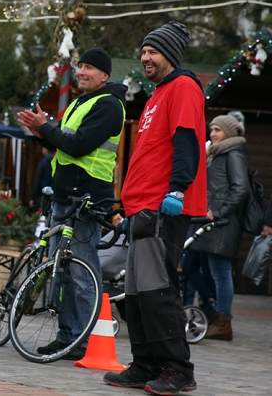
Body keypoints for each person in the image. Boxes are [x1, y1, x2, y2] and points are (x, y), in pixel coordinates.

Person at [104, 22, 207, 395]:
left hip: (163, 208)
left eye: (153, 51)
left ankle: (177, 369)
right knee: (136, 294)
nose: (145, 57)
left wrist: (177, 191)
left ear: (171, 55)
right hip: (142, 208)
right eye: (144, 51)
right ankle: (145, 363)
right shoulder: (158, 94)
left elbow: (187, 143)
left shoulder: (183, 88)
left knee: (158, 291)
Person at [17, 47, 127, 360]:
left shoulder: (109, 105)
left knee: (80, 273)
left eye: (90, 67)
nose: (81, 71)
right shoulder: (81, 101)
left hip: (87, 198)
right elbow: (61, 142)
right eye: (80, 66)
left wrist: (46, 128)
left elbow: (78, 146)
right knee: (60, 272)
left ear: (105, 75)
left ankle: (80, 339)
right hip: (65, 195)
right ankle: (66, 336)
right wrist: (40, 131)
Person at [187, 115, 247, 341]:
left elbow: (241, 188)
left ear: (229, 133)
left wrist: (219, 212)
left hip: (222, 222)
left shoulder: (233, 155)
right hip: (208, 220)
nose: (212, 134)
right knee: (190, 266)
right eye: (211, 130)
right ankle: (212, 307)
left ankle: (223, 322)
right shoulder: (216, 153)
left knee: (220, 273)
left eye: (218, 130)